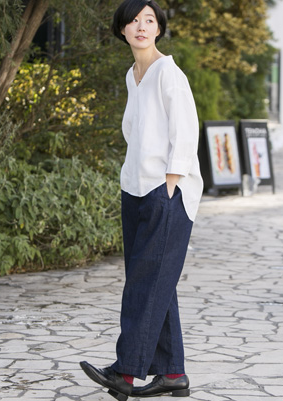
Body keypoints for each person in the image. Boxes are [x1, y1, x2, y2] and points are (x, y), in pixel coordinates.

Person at [80, 0, 203, 399]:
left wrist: (169, 182)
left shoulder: (169, 72)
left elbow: (186, 131)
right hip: (134, 189)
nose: (141, 26)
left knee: (144, 287)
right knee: (151, 282)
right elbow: (136, 134)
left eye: (149, 20)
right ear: (121, 30)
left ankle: (127, 372)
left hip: (166, 191)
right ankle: (172, 374)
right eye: (133, 21)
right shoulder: (133, 75)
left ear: (159, 28)